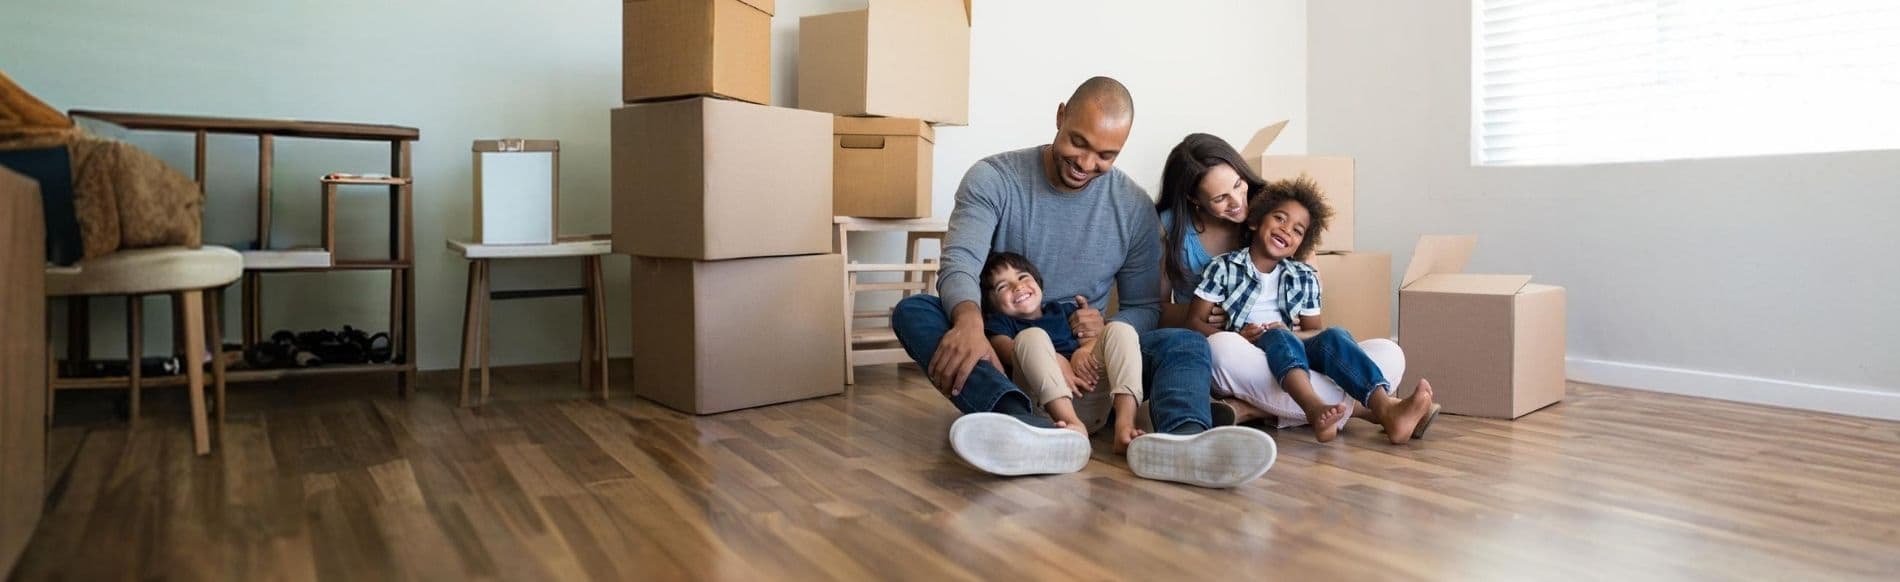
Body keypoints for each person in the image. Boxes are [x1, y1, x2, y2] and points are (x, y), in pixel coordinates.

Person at [890, 77, 1277, 489]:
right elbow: (961, 262)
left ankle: (1182, 440)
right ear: (1060, 117)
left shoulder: (1132, 208)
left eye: (1106, 155)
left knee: (1185, 342)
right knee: (915, 311)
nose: (1087, 163)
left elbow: (1145, 305)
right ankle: (1016, 420)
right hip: (1006, 347)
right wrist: (968, 322)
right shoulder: (993, 179)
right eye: (1079, 142)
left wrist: (1101, 334)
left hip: (1090, 363)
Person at [1154, 133, 1408, 433]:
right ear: (1194, 199)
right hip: (1236, 351)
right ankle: (1364, 409)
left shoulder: (1278, 210)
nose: (1238, 202)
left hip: (1292, 347)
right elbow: (1155, 309)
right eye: (1221, 198)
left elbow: (1311, 311)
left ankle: (1251, 410)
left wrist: (1299, 330)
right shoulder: (1173, 229)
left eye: (1238, 184)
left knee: (1390, 354)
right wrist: (1209, 316)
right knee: (1221, 347)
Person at [1184, 177, 1440, 444]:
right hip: (1250, 357)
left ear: (1302, 244)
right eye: (1280, 218)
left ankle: (1377, 407)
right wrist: (1238, 334)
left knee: (1377, 349)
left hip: (1296, 358)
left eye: (1297, 230)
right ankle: (1346, 408)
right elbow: (1193, 323)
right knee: (1222, 346)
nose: (1286, 230)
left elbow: (1314, 333)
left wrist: (1290, 334)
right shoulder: (1223, 267)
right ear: (1255, 220)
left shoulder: (1304, 276)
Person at [978, 252, 1145, 453]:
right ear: (991, 304)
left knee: (1121, 330)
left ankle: (1125, 426)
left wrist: (1082, 351)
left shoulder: (1062, 310)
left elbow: (1092, 340)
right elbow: (1008, 352)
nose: (1018, 286)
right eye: (1002, 286)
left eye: (1023, 277)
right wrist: (1056, 360)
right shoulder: (1000, 324)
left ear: (1039, 283)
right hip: (1047, 407)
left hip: (1090, 397)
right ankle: (1072, 426)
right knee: (1031, 336)